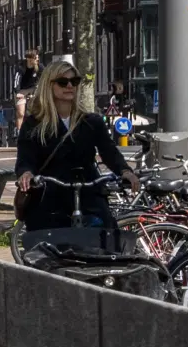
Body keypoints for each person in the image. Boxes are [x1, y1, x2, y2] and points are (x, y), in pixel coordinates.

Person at [12, 57, 131, 246]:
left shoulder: (91, 122)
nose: (70, 86)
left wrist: (125, 171)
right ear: (49, 85)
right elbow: (26, 157)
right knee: (46, 250)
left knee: (107, 240)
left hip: (87, 193)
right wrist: (26, 173)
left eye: (74, 82)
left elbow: (109, 151)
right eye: (62, 82)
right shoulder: (34, 125)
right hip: (49, 196)